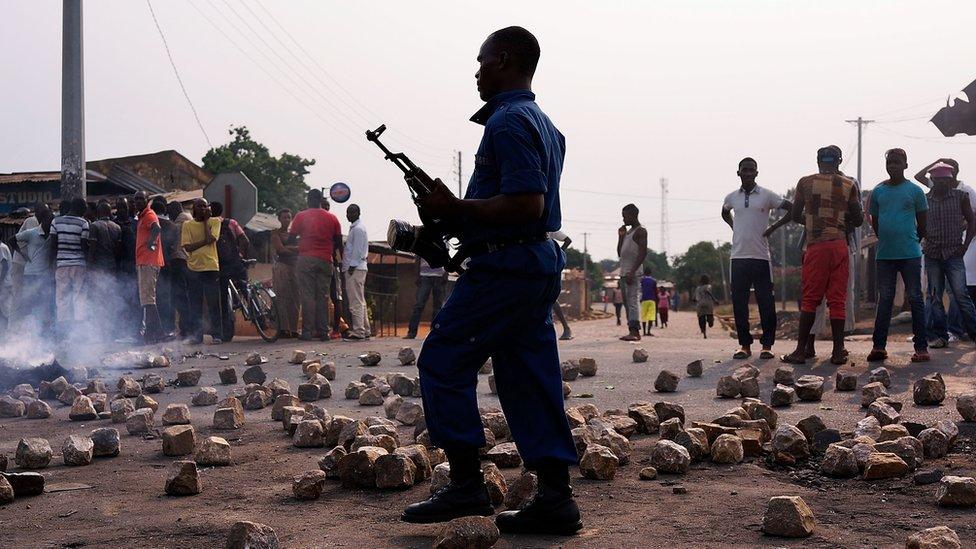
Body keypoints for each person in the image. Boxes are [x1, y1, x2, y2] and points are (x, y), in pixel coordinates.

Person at [401, 27, 581, 535]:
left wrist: (454, 208)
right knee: (528, 376)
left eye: (480, 62)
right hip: (533, 263)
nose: (476, 72)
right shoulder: (544, 122)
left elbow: (528, 203)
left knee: (442, 358)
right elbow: (523, 207)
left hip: (506, 267)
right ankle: (554, 498)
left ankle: (465, 486)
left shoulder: (507, 121)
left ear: (502, 60)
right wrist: (450, 218)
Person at [781, 146, 864, 365]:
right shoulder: (849, 184)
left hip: (816, 246)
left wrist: (813, 221)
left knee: (810, 299)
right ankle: (838, 352)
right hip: (839, 245)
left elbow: (796, 214)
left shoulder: (805, 183)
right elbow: (858, 220)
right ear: (839, 161)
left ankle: (801, 350)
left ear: (818, 161)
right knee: (837, 300)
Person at [721, 157, 792, 359]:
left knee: (766, 303)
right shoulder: (732, 197)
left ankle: (767, 345)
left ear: (757, 173)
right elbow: (724, 212)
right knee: (739, 304)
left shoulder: (767, 195)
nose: (748, 173)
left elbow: (791, 208)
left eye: (752, 170)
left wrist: (773, 227)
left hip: (761, 257)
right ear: (739, 173)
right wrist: (733, 226)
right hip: (738, 257)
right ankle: (744, 345)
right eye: (745, 170)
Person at [864, 149, 929, 362]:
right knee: (885, 300)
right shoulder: (878, 191)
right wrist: (886, 237)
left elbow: (923, 225)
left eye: (897, 162)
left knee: (915, 298)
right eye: (889, 162)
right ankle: (879, 347)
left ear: (905, 165)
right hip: (885, 255)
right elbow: (874, 220)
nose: (892, 166)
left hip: (910, 254)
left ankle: (921, 348)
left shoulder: (915, 191)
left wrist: (911, 241)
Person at [915, 158, 976, 345]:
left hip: (953, 255)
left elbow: (972, 220)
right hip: (933, 254)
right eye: (938, 179)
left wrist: (965, 246)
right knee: (934, 297)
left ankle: (973, 333)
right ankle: (940, 336)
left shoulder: (961, 196)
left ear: (950, 180)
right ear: (932, 180)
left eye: (945, 180)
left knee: (961, 295)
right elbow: (920, 225)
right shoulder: (925, 199)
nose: (942, 183)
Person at [290, 188, 343, 341]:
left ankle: (307, 332)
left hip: (306, 259)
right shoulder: (332, 218)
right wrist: (342, 261)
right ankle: (324, 332)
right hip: (326, 260)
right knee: (323, 297)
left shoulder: (300, 216)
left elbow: (292, 238)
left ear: (308, 200)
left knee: (307, 297)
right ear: (321, 200)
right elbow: (339, 243)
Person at [181, 198, 223, 344]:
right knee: (195, 304)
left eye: (206, 206)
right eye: (200, 206)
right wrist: (205, 241)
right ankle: (197, 336)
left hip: (211, 267)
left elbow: (212, 238)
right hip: (193, 267)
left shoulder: (215, 221)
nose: (203, 209)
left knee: (213, 303)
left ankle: (217, 334)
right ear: (194, 208)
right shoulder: (187, 225)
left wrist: (206, 222)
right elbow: (187, 247)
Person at [49, 197, 90, 338]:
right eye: (84, 208)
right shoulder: (83, 223)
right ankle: (80, 332)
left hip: (61, 265)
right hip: (79, 265)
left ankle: (63, 332)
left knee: (62, 297)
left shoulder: (56, 222)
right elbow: (84, 247)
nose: (86, 211)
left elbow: (53, 246)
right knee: (79, 297)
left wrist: (51, 265)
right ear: (79, 208)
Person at [211, 202, 250, 343]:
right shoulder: (231, 223)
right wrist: (240, 256)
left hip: (219, 266)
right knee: (245, 289)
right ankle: (259, 318)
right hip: (235, 263)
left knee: (222, 300)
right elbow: (245, 240)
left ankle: (226, 333)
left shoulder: (208, 225)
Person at [16, 204, 55, 330]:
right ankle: (28, 332)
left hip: (44, 276)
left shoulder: (52, 233)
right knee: (30, 304)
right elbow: (13, 239)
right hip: (31, 274)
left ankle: (41, 333)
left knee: (44, 304)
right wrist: (23, 254)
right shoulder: (32, 230)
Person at [132, 191, 165, 343]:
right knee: (146, 299)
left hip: (148, 262)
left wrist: (150, 243)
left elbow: (156, 228)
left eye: (141, 199)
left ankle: (157, 333)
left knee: (148, 300)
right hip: (145, 262)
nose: (138, 201)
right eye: (136, 199)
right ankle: (152, 334)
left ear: (147, 200)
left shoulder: (149, 214)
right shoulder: (142, 216)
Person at [86, 200, 122, 336]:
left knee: (98, 300)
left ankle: (100, 331)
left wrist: (89, 267)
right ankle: (111, 330)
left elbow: (92, 249)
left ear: (99, 212)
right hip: (112, 267)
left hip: (98, 268)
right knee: (110, 299)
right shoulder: (116, 227)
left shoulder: (94, 226)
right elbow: (118, 251)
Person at [617, 203, 648, 341]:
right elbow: (620, 253)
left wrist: (632, 271)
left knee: (633, 301)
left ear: (633, 215)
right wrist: (621, 236)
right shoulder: (628, 233)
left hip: (633, 273)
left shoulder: (640, 231)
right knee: (627, 303)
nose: (623, 220)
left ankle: (635, 331)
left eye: (625, 217)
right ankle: (631, 329)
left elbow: (642, 253)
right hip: (624, 272)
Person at [342, 203, 370, 340]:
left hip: (355, 269)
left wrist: (351, 268)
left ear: (358, 213)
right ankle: (365, 330)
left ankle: (359, 331)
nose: (349, 215)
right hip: (358, 268)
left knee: (355, 302)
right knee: (360, 301)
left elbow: (358, 251)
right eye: (348, 212)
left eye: (352, 213)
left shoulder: (358, 229)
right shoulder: (356, 228)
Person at [164, 201, 192, 339]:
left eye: (170, 213)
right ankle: (188, 329)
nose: (169, 216)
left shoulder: (179, 223)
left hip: (178, 260)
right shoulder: (190, 219)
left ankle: (185, 329)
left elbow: (171, 242)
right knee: (186, 296)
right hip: (189, 261)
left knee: (179, 297)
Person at [271, 208, 300, 338]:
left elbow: (303, 249)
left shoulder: (294, 235)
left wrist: (289, 248)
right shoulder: (275, 233)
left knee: (295, 298)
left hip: (295, 268)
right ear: (279, 219)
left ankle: (293, 329)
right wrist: (295, 249)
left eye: (289, 217)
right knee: (281, 298)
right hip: (282, 267)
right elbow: (280, 250)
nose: (287, 220)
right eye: (284, 217)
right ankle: (283, 329)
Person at [115, 197, 140, 341]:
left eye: (124, 207)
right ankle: (121, 331)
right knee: (120, 301)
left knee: (134, 301)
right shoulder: (113, 223)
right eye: (119, 208)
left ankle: (135, 330)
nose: (122, 211)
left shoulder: (135, 223)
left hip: (133, 265)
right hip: (119, 267)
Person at [405, 258, 447, 340]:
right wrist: (417, 275)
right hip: (424, 275)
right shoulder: (421, 244)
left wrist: (446, 273)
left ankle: (435, 333)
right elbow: (418, 258)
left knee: (438, 307)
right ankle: (411, 333)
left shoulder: (445, 244)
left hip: (439, 276)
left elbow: (447, 257)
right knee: (419, 305)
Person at [548, 230, 573, 340]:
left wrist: (558, 254)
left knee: (551, 297)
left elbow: (567, 240)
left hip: (550, 266)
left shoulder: (549, 228)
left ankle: (566, 327)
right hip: (536, 264)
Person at [0, 238, 10, 333]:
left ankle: (6, 330)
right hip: (4, 282)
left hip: (4, 283)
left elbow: (5, 267)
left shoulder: (1, 248)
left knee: (4, 307)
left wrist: (1, 282)